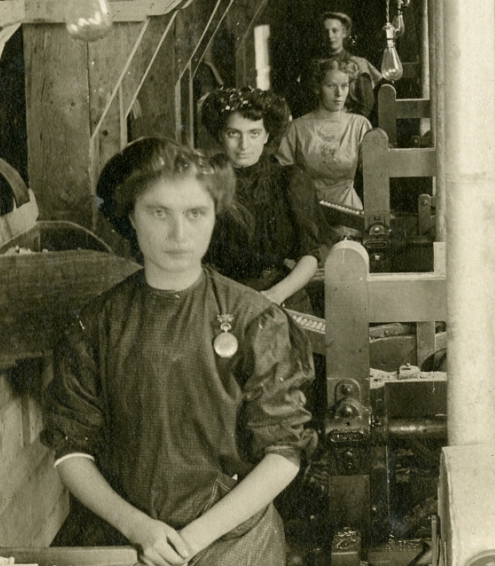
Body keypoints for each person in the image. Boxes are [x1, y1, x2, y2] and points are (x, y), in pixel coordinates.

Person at [42, 138, 316, 566]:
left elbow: (283, 453)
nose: (178, 234)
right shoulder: (96, 324)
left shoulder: (254, 320)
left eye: (195, 214)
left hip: (234, 543)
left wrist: (193, 539)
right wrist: (139, 529)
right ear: (131, 216)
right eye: (158, 213)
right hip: (125, 540)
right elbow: (71, 450)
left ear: (214, 216)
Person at [199, 87, 327, 313]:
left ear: (267, 135)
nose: (244, 145)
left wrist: (273, 296)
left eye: (254, 133)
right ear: (220, 135)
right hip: (221, 298)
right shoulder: (204, 183)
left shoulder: (289, 181)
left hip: (281, 295)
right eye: (233, 133)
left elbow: (310, 256)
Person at [277, 58, 373, 216]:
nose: (339, 94)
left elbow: (375, 173)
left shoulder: (359, 125)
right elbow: (282, 177)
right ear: (317, 88)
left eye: (344, 86)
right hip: (309, 214)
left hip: (350, 213)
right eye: (331, 86)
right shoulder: (297, 128)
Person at [319, 11, 381, 117]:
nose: (330, 36)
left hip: (350, 125)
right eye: (326, 31)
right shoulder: (317, 64)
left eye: (335, 31)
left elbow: (365, 107)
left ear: (344, 33)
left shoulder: (358, 64)